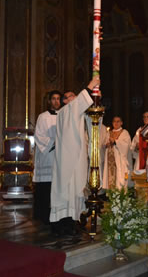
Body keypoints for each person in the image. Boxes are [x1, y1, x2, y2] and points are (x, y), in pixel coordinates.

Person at [49, 76, 100, 235]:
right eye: (71, 96)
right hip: (67, 160)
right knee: (67, 190)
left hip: (77, 158)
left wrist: (96, 98)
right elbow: (79, 103)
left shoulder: (77, 113)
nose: (75, 98)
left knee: (76, 190)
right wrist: (91, 86)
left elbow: (93, 119)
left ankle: (74, 220)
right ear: (65, 101)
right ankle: (64, 223)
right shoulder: (66, 111)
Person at [33, 90, 61, 225]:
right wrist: (53, 142)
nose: (56, 101)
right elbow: (39, 135)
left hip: (61, 158)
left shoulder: (64, 115)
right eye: (54, 99)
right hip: (48, 156)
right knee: (46, 188)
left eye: (58, 99)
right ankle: (43, 216)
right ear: (49, 101)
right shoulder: (42, 117)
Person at [102, 116, 132, 189]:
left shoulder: (124, 132)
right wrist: (106, 144)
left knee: (119, 177)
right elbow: (104, 143)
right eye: (114, 121)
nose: (116, 123)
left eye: (118, 121)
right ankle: (110, 194)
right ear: (112, 123)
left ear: (121, 123)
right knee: (110, 176)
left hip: (119, 160)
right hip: (109, 158)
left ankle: (119, 194)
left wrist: (115, 142)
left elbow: (127, 145)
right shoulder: (109, 132)